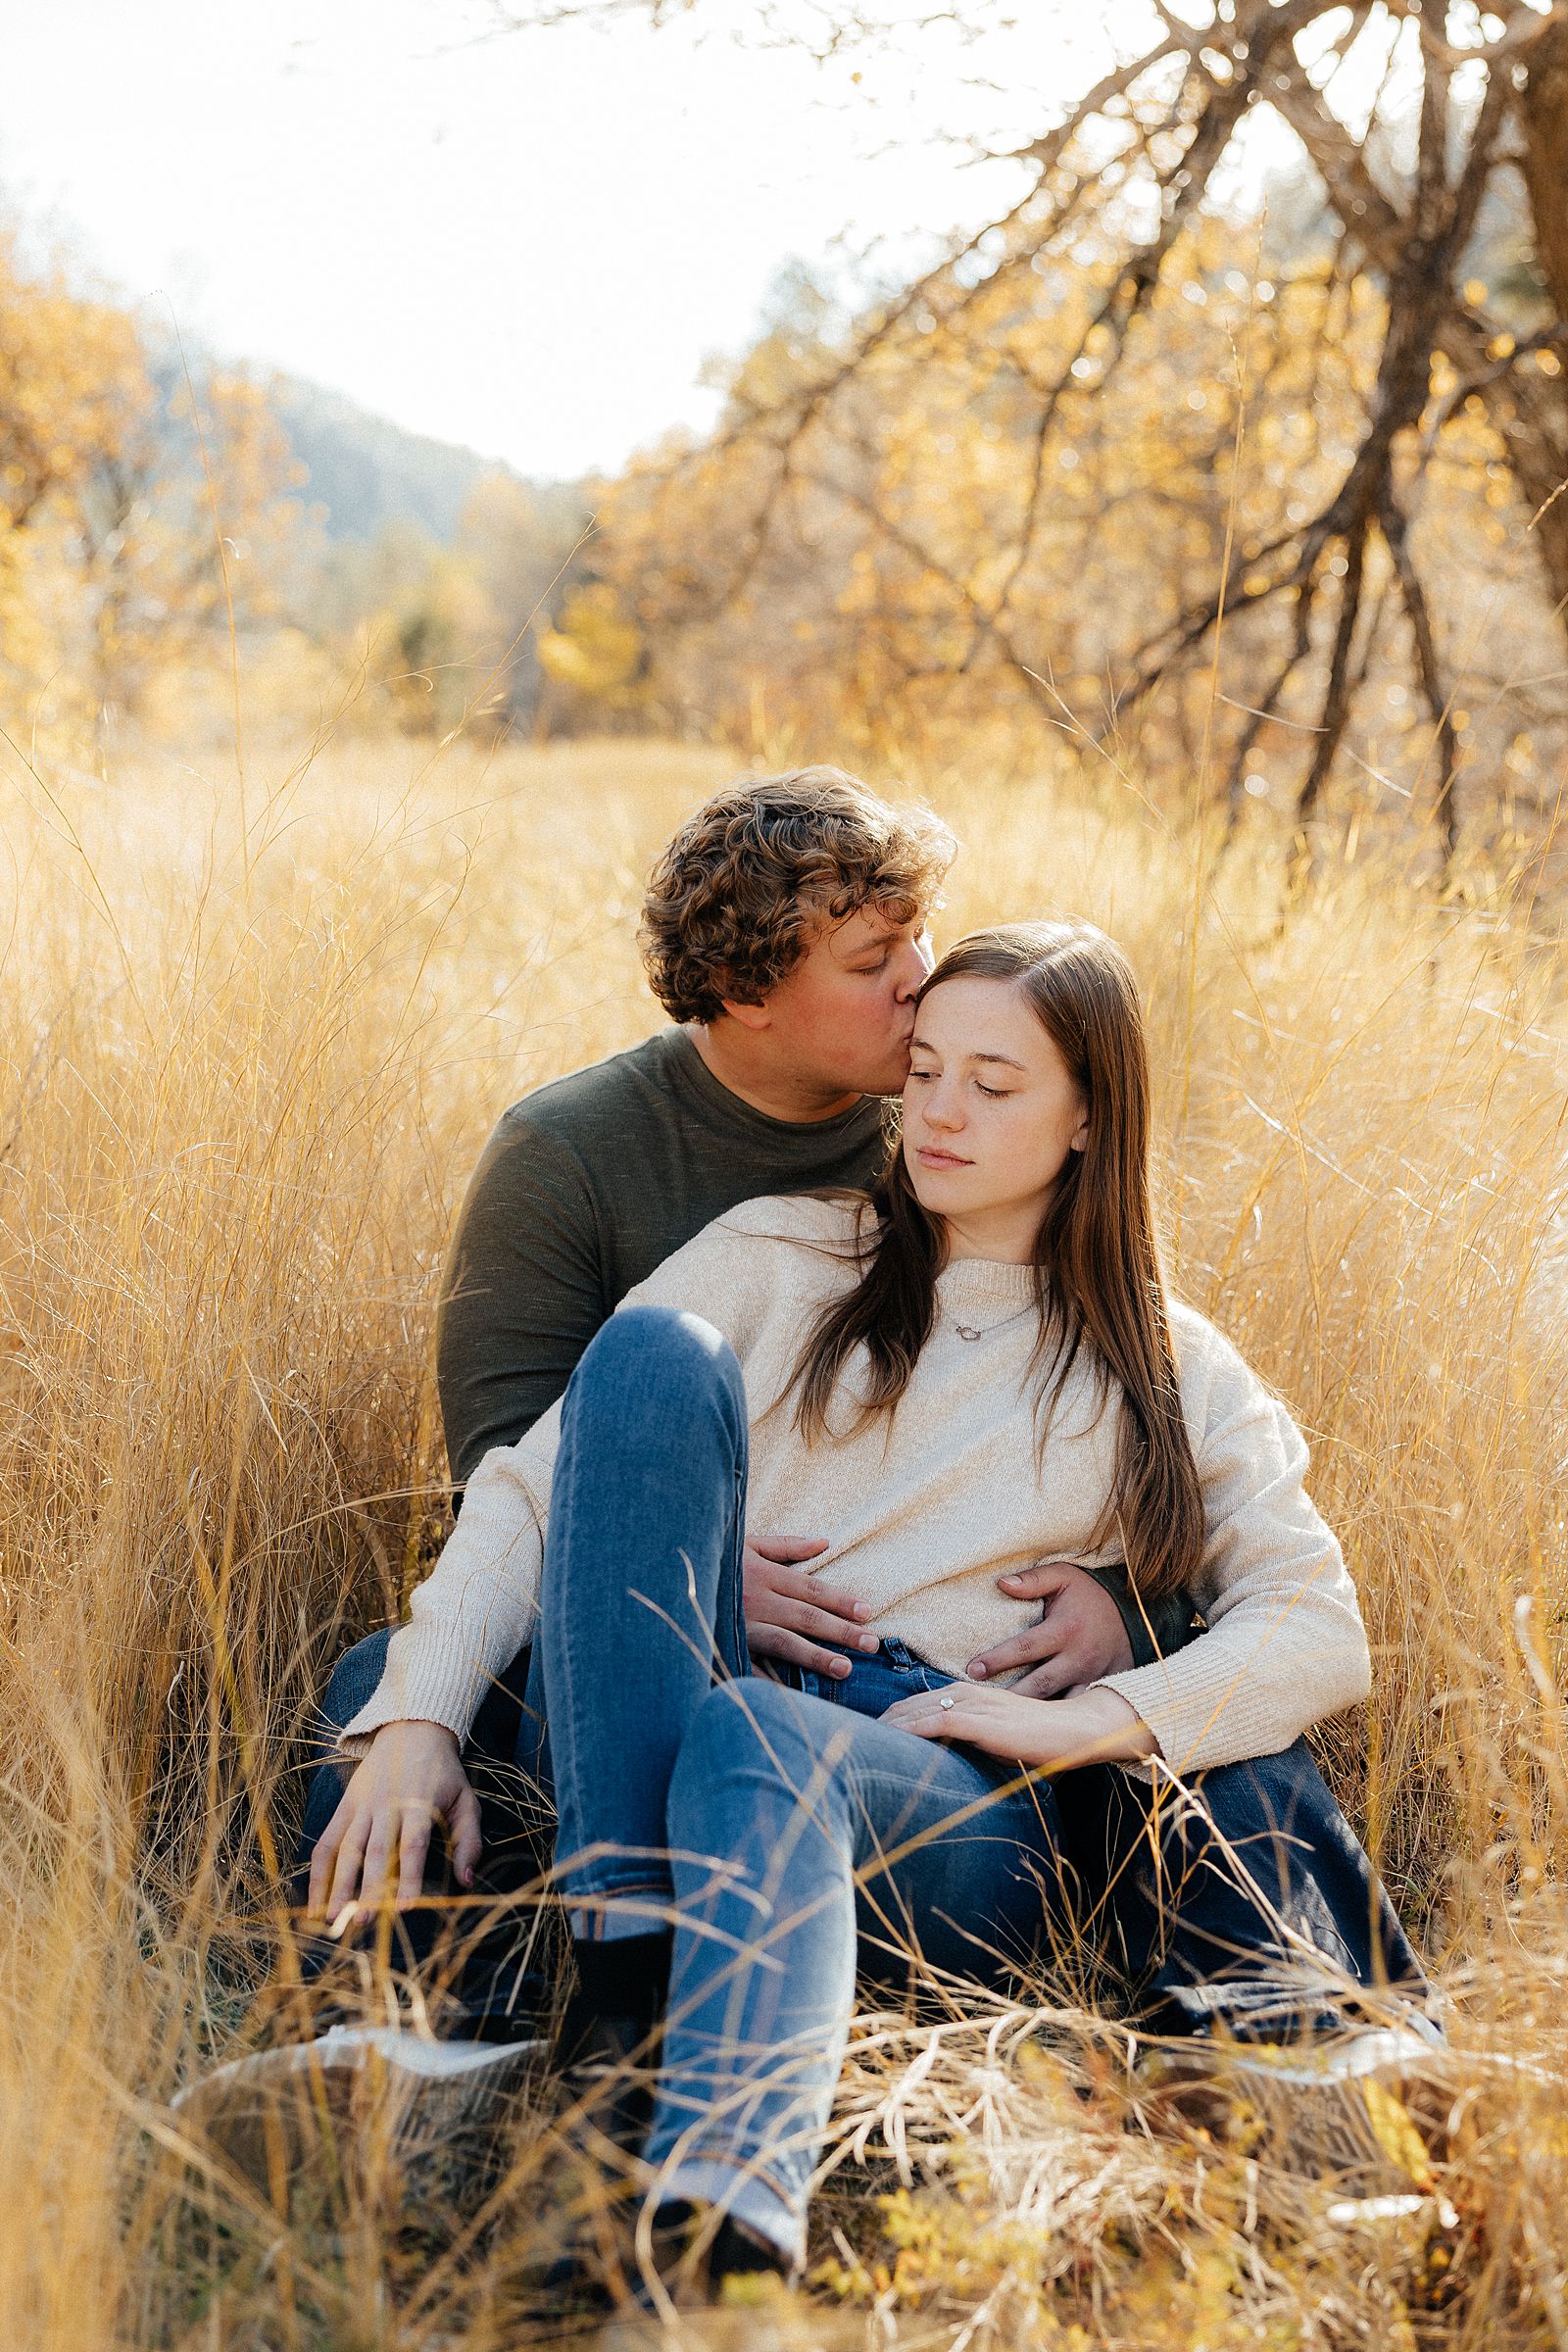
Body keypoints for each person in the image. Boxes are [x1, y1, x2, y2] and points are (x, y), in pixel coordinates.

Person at [312, 920, 1432, 2299]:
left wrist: (1097, 1722)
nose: (942, 1113)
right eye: (929, 1071)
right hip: (680, 1718)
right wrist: (423, 1709)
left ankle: (714, 2225)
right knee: (628, 1397)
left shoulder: (1166, 1358)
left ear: (1090, 1118)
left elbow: (1319, 1621)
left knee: (765, 1739)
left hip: (946, 1797)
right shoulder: (782, 1252)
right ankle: (619, 2003)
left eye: (997, 1084)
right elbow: (531, 1498)